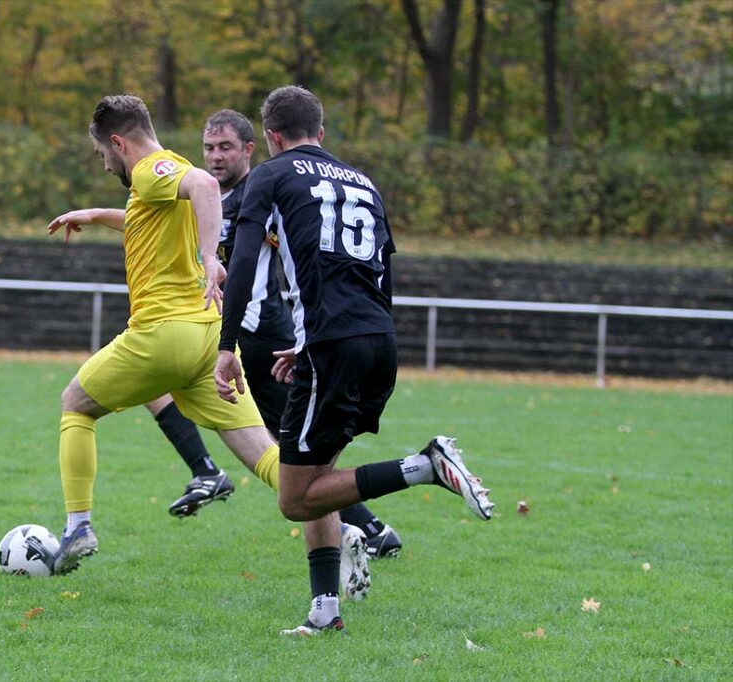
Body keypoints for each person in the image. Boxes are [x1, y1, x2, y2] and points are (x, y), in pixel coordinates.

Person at [41, 95, 369, 601]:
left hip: (164, 334)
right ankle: (341, 528)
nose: (104, 165)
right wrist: (93, 214)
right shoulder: (156, 182)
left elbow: (204, 184)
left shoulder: (156, 168)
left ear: (116, 142)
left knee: (74, 406)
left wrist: (208, 258)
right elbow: (148, 219)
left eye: (102, 155)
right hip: (208, 341)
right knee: (270, 461)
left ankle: (78, 528)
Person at [215, 86, 495, 636]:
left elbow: (244, 261)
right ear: (321, 132)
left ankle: (424, 465)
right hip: (376, 339)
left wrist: (227, 347)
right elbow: (382, 271)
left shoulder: (271, 176)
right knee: (320, 475)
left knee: (296, 499)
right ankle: (324, 611)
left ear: (270, 137)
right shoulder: (363, 181)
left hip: (333, 346)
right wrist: (313, 342)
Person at [159, 109, 403, 561]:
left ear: (256, 146)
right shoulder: (237, 195)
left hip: (256, 331)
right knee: (289, 445)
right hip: (283, 333)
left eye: (225, 147)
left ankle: (369, 529)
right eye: (209, 148)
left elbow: (263, 249)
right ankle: (208, 473)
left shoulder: (265, 186)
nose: (214, 156)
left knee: (294, 456)